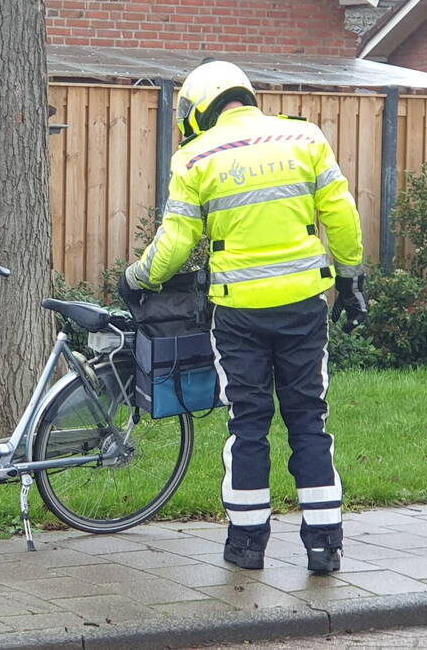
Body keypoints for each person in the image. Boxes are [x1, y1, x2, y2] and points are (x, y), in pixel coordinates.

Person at [120, 60, 365, 573]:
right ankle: (324, 545)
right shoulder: (305, 138)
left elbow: (175, 245)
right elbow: (341, 213)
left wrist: (137, 276)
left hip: (237, 315)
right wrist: (349, 277)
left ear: (203, 104)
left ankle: (247, 545)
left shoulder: (194, 159)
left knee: (248, 423)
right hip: (303, 308)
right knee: (308, 418)